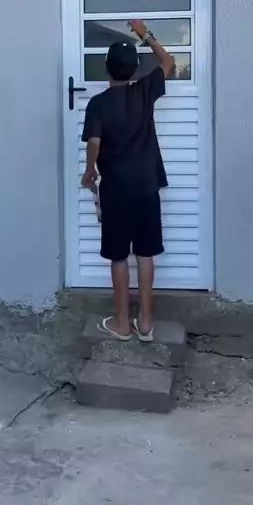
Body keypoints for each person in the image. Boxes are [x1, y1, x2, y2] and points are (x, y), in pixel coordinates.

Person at [81, 19, 175, 342]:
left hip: (116, 190)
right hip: (147, 186)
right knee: (146, 255)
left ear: (107, 69)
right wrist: (144, 33)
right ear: (135, 70)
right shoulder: (145, 91)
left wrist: (89, 171)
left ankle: (123, 324)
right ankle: (145, 324)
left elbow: (94, 142)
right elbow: (168, 62)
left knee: (119, 256)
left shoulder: (97, 104)